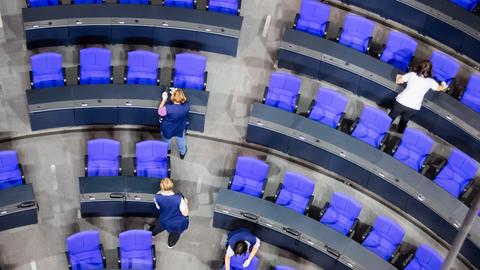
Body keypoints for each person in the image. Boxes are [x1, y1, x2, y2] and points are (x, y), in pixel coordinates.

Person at [389, 60, 447, 133]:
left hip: (401, 102)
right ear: (430, 70)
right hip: (414, 107)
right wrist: (443, 84)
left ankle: (384, 126)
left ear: (419, 67)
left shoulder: (411, 74)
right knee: (404, 121)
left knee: (391, 117)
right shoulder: (430, 81)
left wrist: (399, 76)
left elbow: (398, 81)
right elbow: (440, 88)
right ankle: (399, 132)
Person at [146, 178, 189, 248]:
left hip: (164, 219)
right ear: (171, 185)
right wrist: (186, 202)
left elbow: (158, 207)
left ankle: (152, 233)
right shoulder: (179, 199)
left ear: (161, 186)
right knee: (175, 234)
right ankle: (170, 244)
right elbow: (185, 213)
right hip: (177, 223)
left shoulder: (157, 197)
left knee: (158, 226)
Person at [158, 88, 190, 159]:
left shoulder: (167, 108)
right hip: (180, 127)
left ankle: (168, 150)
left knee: (166, 140)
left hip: (167, 129)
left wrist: (164, 99)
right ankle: (182, 153)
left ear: (172, 97)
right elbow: (184, 100)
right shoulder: (186, 106)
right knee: (181, 140)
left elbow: (160, 111)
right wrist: (177, 92)